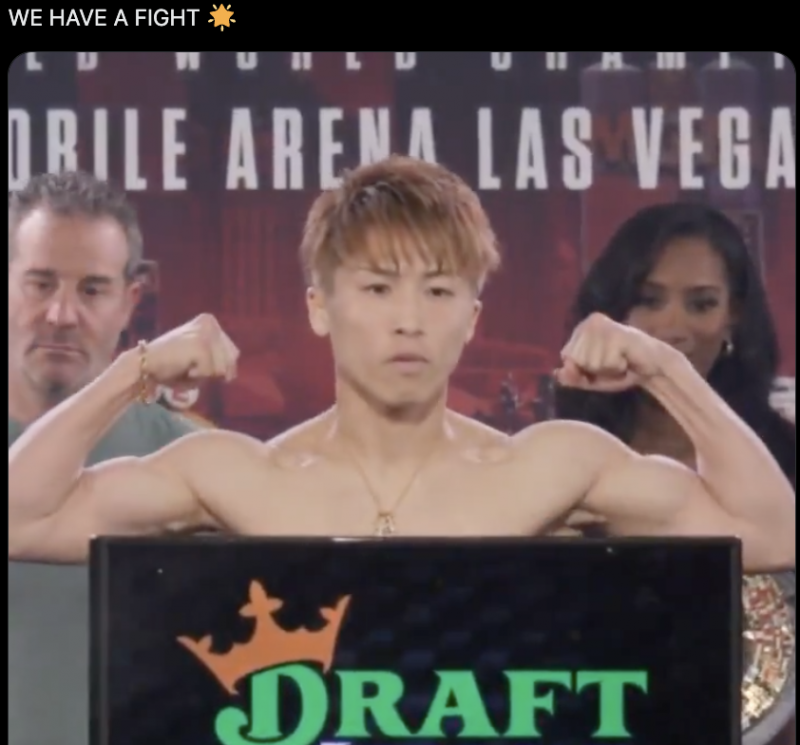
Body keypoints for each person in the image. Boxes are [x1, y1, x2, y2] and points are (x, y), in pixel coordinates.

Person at [8, 157, 795, 577]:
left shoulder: (553, 468)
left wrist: (662, 365)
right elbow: (22, 517)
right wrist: (138, 369)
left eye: (439, 290)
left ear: (472, 317)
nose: (409, 319)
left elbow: (773, 531)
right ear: (320, 306)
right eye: (378, 288)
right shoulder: (236, 475)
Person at [550, 201, 797, 745]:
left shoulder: (784, 458)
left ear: (734, 315)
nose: (673, 327)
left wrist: (669, 373)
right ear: (614, 309)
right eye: (649, 300)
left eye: (701, 303)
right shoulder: (565, 460)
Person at [8, 171, 198, 745]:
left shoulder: (189, 460)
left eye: (92, 290)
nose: (61, 315)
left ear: (129, 301)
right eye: (40, 284)